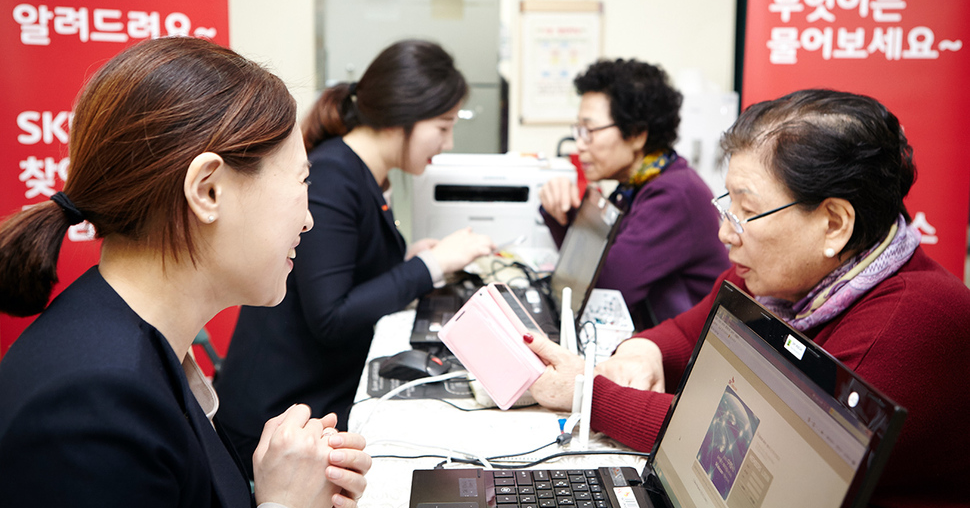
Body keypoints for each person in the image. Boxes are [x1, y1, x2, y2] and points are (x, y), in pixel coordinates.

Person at [526, 89, 970, 507]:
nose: (725, 234)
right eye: (729, 207)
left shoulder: (909, 323)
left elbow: (759, 460)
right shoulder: (786, 280)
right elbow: (688, 327)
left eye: (748, 211)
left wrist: (588, 395)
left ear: (834, 223)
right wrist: (644, 350)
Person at [0, 37, 371, 507]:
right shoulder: (94, 404)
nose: (309, 219)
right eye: (302, 182)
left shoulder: (135, 347)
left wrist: (284, 488)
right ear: (208, 191)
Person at [215, 39, 494, 473]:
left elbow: (348, 272)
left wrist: (411, 264)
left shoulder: (359, 174)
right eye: (442, 126)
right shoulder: (332, 177)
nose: (448, 141)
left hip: (308, 401)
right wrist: (430, 267)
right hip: (276, 420)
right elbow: (331, 316)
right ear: (404, 115)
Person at [539, 59, 729, 329]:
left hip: (686, 357)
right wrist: (562, 210)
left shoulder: (673, 195)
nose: (579, 143)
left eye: (590, 131)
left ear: (638, 134)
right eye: (579, 130)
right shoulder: (636, 186)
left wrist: (568, 216)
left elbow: (604, 291)